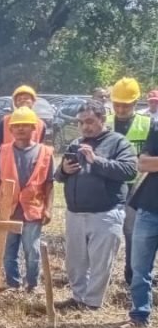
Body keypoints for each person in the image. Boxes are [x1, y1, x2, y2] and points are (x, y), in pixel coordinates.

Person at [54, 99, 136, 311]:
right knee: (75, 261)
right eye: (80, 123)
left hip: (105, 213)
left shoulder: (118, 142)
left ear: (102, 119)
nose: (84, 126)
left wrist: (96, 160)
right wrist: (64, 170)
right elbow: (58, 175)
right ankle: (77, 297)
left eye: (89, 121)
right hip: (75, 213)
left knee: (100, 262)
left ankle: (91, 303)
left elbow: (129, 171)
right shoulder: (75, 144)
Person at [0, 107, 54, 293]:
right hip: (9, 210)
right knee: (9, 251)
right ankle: (12, 284)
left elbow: (49, 184)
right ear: (10, 129)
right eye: (16, 126)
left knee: (32, 251)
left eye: (25, 125)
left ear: (34, 128)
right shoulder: (3, 151)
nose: (21, 129)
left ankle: (32, 284)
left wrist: (48, 208)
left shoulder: (45, 153)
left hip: (33, 210)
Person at [107, 77, 151, 285]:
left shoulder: (148, 124)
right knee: (108, 230)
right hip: (109, 185)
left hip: (137, 184)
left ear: (135, 103)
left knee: (133, 232)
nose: (121, 109)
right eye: (117, 104)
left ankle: (132, 274)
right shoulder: (105, 122)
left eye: (125, 105)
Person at [126, 119, 158, 328]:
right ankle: (139, 316)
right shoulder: (157, 127)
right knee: (139, 268)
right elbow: (142, 163)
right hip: (150, 208)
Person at [0, 85, 46, 153]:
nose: (23, 101)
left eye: (26, 98)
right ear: (15, 103)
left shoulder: (41, 124)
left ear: (33, 101)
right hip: (8, 161)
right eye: (19, 99)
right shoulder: (4, 122)